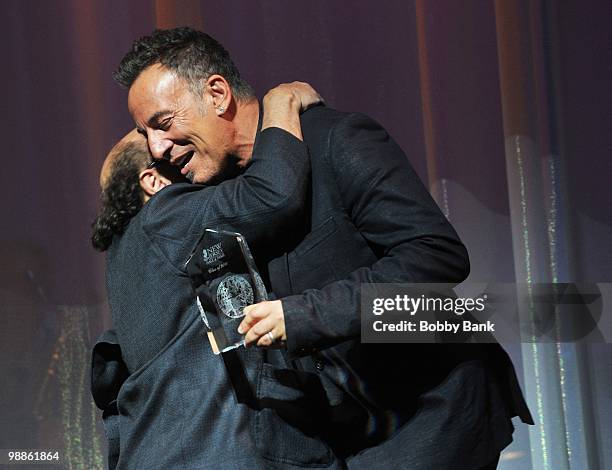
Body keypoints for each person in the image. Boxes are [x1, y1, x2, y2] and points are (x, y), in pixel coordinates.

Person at [107, 27, 533, 469]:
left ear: (217, 94)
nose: (155, 147)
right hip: (346, 429)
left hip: (430, 408)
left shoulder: (336, 140)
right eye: (145, 133)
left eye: (163, 123)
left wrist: (304, 315)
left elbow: (435, 256)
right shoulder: (226, 195)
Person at [91, 82, 328, 469]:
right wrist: (280, 102)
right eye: (160, 153)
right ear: (153, 182)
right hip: (222, 451)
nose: (169, 149)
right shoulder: (165, 216)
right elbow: (272, 196)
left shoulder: (128, 257)